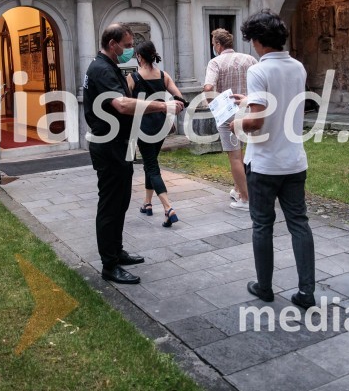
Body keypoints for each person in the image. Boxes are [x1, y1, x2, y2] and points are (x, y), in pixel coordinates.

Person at [84, 24, 185, 284]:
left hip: (119, 144)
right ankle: (109, 265)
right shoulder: (101, 69)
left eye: (132, 46)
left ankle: (116, 252)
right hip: (109, 146)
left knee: (121, 202)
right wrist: (161, 106)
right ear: (112, 43)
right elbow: (122, 104)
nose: (130, 49)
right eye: (127, 45)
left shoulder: (108, 67)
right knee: (110, 205)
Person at [231, 10, 316, 309]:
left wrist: (237, 121)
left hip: (265, 162)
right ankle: (307, 292)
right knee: (299, 225)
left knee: (262, 226)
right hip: (294, 160)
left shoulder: (258, 70)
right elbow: (279, 102)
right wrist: (248, 102)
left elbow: (256, 122)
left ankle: (264, 286)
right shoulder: (298, 67)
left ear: (257, 40)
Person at [126, 40, 184, 228]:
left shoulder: (133, 78)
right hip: (161, 125)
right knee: (150, 162)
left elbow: (125, 103)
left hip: (142, 126)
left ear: (139, 57)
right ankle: (147, 203)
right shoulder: (163, 75)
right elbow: (180, 97)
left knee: (151, 165)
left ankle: (168, 208)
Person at [203, 28, 257, 210]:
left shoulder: (215, 62)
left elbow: (209, 86)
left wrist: (215, 104)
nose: (213, 47)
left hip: (228, 114)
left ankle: (246, 198)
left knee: (234, 156)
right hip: (250, 109)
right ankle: (238, 188)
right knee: (245, 153)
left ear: (218, 44)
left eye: (213, 44)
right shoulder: (249, 59)